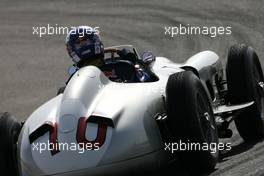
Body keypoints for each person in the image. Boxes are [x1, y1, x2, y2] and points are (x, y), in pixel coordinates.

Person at [65, 26, 152, 83]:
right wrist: (139, 63)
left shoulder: (75, 80)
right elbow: (148, 81)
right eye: (78, 43)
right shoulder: (125, 66)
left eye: (85, 41)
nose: (83, 45)